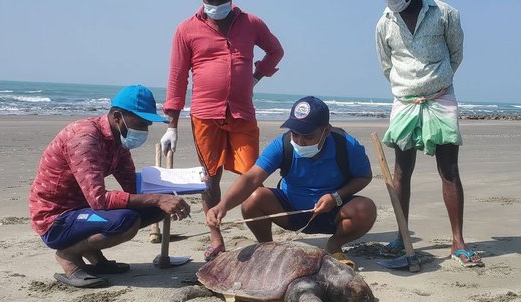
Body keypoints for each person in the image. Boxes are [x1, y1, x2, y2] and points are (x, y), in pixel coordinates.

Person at [28, 85, 191, 288]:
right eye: (140, 124)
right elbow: (99, 200)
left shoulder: (118, 142)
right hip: (56, 218)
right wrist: (158, 198)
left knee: (156, 209)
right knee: (126, 220)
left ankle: (94, 256)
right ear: (117, 117)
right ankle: (68, 255)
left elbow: (132, 185)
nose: (143, 131)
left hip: (82, 211)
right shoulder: (84, 139)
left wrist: (174, 188)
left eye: (147, 126)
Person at [160, 0, 284, 262]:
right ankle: (216, 239)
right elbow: (177, 76)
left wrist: (256, 76)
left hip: (242, 113)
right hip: (204, 115)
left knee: (253, 175)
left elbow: (275, 50)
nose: (215, 4)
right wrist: (172, 125)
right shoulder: (186, 29)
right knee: (209, 177)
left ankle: (265, 240)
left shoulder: (251, 23)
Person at [205, 96, 377, 268]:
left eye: (308, 136)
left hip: (333, 213)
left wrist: (336, 197)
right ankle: (268, 248)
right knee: (253, 198)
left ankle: (334, 245)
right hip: (290, 211)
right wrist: (223, 206)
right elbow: (251, 178)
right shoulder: (283, 144)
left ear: (326, 131)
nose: (300, 141)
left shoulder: (347, 146)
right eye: (295, 134)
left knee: (365, 208)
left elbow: (364, 176)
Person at [375, 0, 483, 267]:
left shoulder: (445, 14)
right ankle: (401, 236)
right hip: (405, 100)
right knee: (402, 171)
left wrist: (436, 81)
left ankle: (458, 241)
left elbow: (456, 54)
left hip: (441, 96)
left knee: (449, 169)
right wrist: (410, 88)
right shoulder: (384, 23)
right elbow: (386, 65)